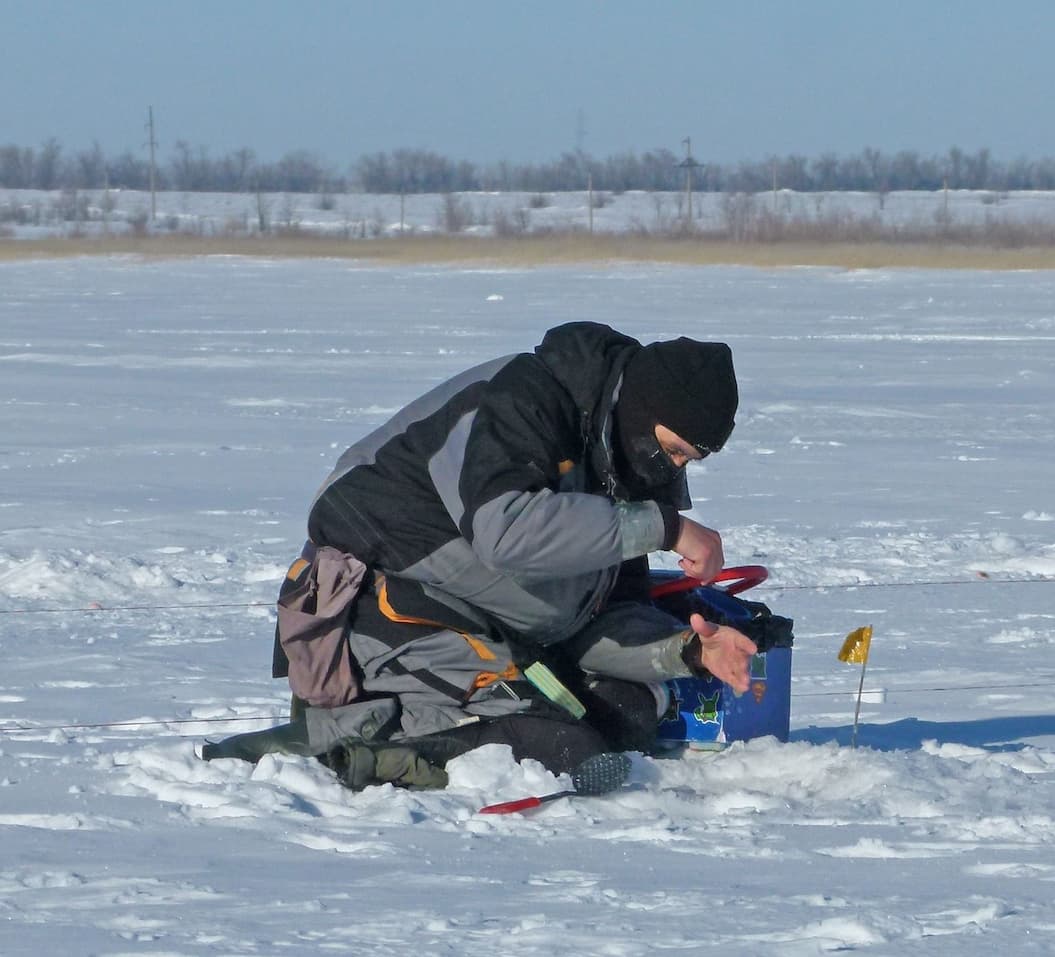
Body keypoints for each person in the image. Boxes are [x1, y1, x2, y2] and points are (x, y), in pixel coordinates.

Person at [203, 321, 756, 793]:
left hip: (499, 631)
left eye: (691, 460)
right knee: (566, 750)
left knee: (629, 714)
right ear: (640, 410)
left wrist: (688, 650)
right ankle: (321, 750)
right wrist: (664, 527)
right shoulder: (524, 402)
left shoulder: (626, 458)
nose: (674, 469)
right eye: (675, 449)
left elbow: (599, 609)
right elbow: (506, 532)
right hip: (387, 607)